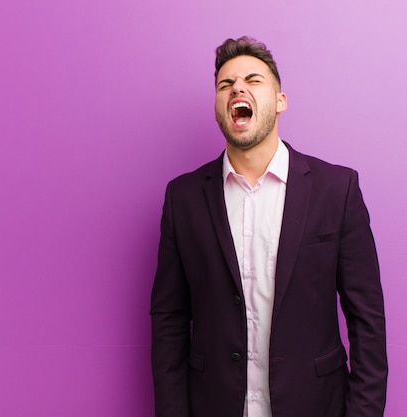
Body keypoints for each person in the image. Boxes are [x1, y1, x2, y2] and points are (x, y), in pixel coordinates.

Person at [150, 36, 387, 417]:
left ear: (280, 102)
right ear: (217, 108)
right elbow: (169, 319)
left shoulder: (336, 190)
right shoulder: (183, 198)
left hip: (315, 406)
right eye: (225, 85)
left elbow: (367, 319)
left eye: (253, 80)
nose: (237, 88)